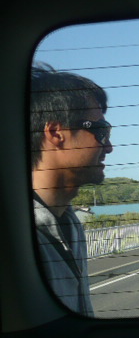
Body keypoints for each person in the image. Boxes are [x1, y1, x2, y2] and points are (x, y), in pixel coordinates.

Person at [31, 63, 113, 315]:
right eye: (100, 131)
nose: (109, 147)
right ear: (56, 132)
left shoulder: (70, 223)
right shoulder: (23, 234)